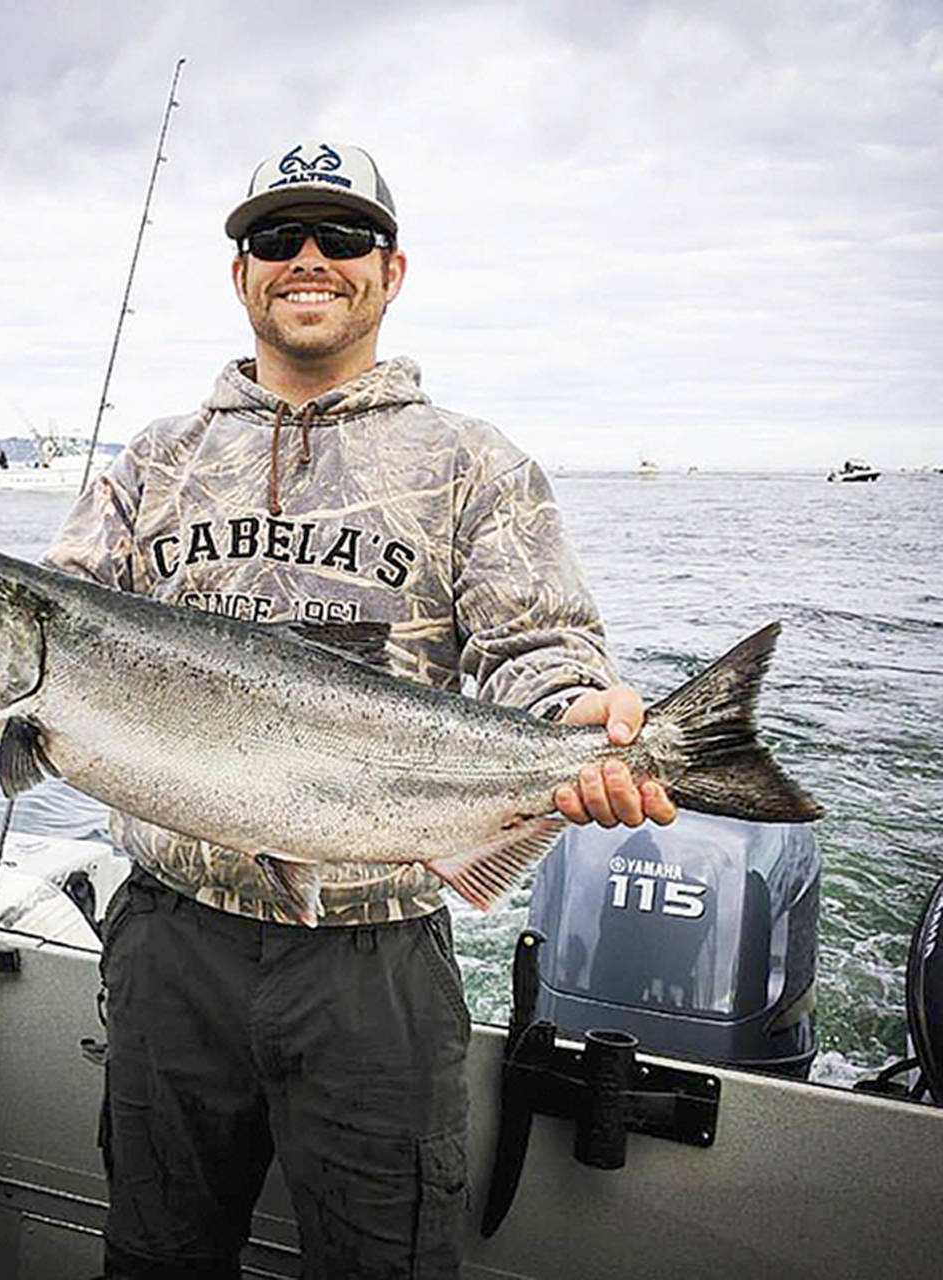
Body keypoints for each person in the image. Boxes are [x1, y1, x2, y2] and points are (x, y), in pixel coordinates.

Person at [43, 139, 675, 1280]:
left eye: (339, 236)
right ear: (238, 274)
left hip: (373, 958)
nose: (307, 258)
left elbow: (535, 648)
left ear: (389, 270)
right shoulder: (151, 460)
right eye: (276, 237)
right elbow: (62, 630)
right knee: (155, 1255)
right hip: (170, 938)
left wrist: (582, 718)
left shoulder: (469, 463)